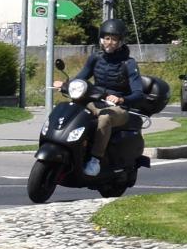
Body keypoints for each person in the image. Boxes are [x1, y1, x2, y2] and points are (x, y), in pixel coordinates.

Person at [52, 19, 147, 178]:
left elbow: (139, 93)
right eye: (107, 38)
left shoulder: (128, 63)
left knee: (104, 119)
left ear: (121, 41)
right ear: (102, 39)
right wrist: (66, 84)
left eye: (114, 39)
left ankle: (95, 159)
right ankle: (66, 144)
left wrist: (121, 100)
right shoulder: (95, 58)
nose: (110, 42)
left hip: (118, 109)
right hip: (95, 100)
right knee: (69, 107)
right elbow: (81, 78)